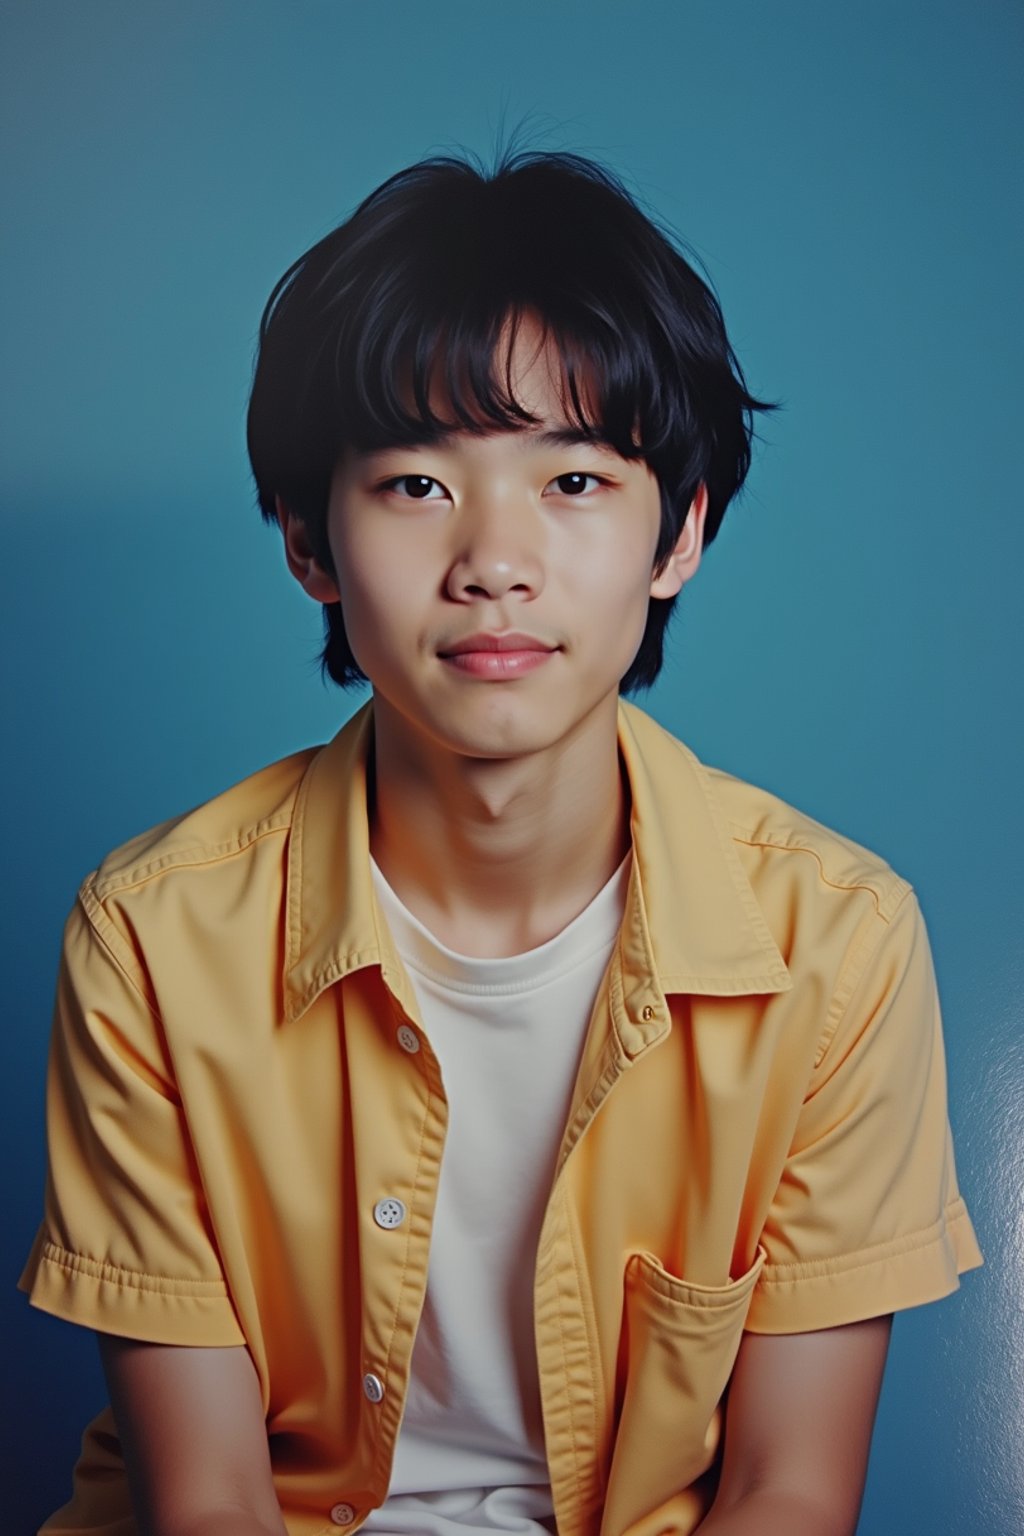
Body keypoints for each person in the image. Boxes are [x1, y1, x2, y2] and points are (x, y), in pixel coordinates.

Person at [21, 150, 981, 1536]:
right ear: (307, 539)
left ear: (683, 533)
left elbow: (791, 1488)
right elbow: (211, 1500)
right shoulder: (151, 937)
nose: (495, 560)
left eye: (577, 480)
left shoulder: (834, 944)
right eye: (416, 483)